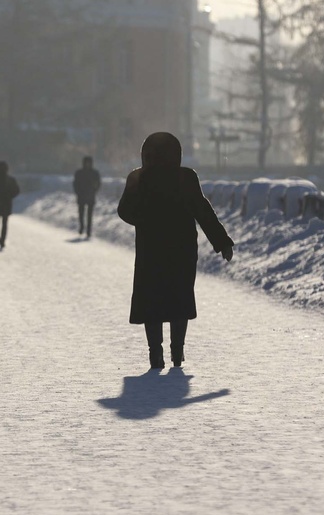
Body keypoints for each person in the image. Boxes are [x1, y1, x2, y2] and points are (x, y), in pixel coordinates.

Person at [117, 132, 233, 369]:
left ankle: (155, 353)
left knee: (151, 299)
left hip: (151, 248)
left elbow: (124, 211)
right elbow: (202, 210)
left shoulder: (138, 178)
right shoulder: (186, 177)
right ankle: (177, 351)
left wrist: (145, 219)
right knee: (179, 298)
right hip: (182, 248)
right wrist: (222, 241)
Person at [73, 155, 102, 238]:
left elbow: (98, 183)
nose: (87, 164)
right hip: (81, 195)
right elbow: (75, 184)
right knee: (81, 214)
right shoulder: (79, 173)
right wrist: (78, 192)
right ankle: (82, 227)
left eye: (89, 162)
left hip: (90, 195)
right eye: (86, 162)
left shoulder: (95, 173)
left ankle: (89, 231)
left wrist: (94, 191)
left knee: (89, 215)